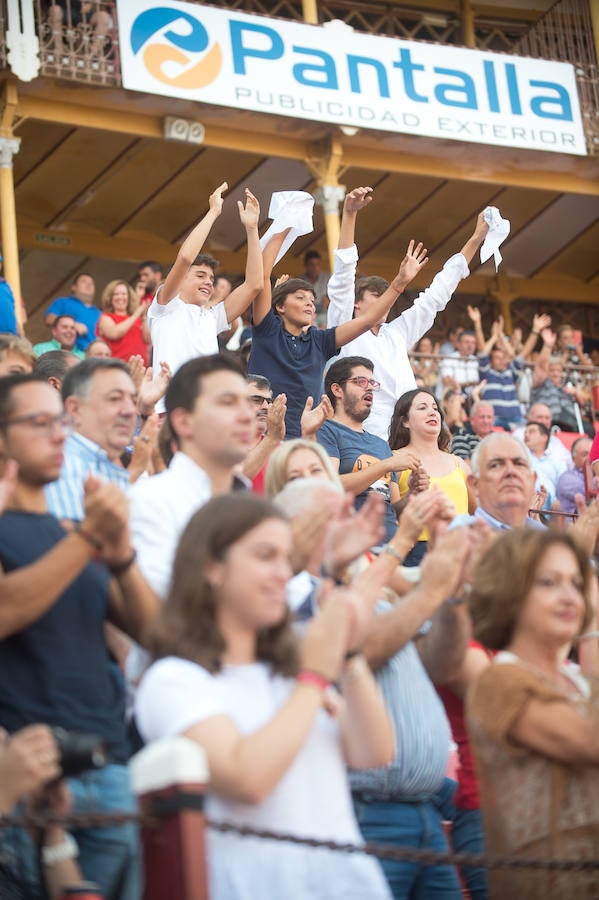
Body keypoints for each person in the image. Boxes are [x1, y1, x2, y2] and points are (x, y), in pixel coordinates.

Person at [135, 493, 394, 900]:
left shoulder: (289, 672)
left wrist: (350, 656)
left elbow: (374, 752)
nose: (281, 573)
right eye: (265, 556)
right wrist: (315, 675)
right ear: (211, 567)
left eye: (285, 558)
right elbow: (247, 780)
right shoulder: (173, 680)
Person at [0, 372, 159, 899]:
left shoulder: (70, 534)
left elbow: (154, 633)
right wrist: (91, 536)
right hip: (27, 779)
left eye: (60, 423)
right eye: (38, 423)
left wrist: (120, 557)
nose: (58, 435)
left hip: (108, 763)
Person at [466, 528, 599, 900]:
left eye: (576, 582)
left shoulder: (580, 681)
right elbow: (589, 740)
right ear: (511, 592)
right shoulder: (500, 681)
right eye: (548, 582)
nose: (570, 595)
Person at [327, 188, 489, 440]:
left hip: (408, 434)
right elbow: (343, 276)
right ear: (355, 304)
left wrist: (475, 240)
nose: (386, 303)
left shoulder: (397, 333)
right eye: (376, 297)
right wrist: (349, 215)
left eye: (387, 297)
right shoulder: (343, 328)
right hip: (362, 435)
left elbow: (436, 295)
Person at [249, 218, 428, 438]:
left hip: (307, 443)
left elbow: (366, 320)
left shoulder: (320, 341)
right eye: (300, 297)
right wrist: (283, 225)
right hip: (261, 438)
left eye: (312, 298)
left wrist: (399, 283)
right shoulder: (268, 330)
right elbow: (261, 278)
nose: (309, 302)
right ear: (280, 306)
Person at [129, 353, 255, 600]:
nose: (247, 416)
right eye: (227, 402)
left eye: (247, 403)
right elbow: (160, 605)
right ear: (184, 422)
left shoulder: (252, 505)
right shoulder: (149, 501)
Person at [147, 183, 262, 414]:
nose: (209, 282)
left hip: (209, 413)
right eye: (201, 275)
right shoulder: (165, 306)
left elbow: (254, 285)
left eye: (212, 277)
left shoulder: (213, 317)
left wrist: (251, 228)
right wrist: (213, 212)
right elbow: (185, 258)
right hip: (169, 411)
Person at [317, 356, 417, 544]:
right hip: (350, 548)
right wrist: (385, 465)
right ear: (337, 389)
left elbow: (394, 506)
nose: (370, 387)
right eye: (361, 381)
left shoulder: (381, 444)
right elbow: (329, 486)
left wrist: (413, 493)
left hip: (389, 547)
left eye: (372, 382)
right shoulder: (325, 430)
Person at [45, 358, 137, 522]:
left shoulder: (105, 460)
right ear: (75, 409)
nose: (130, 410)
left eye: (133, 400)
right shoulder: (62, 468)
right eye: (115, 398)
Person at [388, 388, 473, 565]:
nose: (432, 412)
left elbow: (477, 511)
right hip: (416, 552)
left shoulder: (460, 464)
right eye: (422, 408)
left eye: (435, 408)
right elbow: (389, 514)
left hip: (461, 550)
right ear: (404, 421)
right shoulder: (392, 459)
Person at [467, 307, 551, 430]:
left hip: (516, 419)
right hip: (494, 419)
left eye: (503, 357)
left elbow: (524, 353)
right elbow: (483, 351)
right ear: (491, 360)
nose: (501, 360)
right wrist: (478, 323)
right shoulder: (486, 373)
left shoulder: (511, 372)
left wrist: (535, 330)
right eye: (497, 357)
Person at [97, 280, 151, 364]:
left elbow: (148, 339)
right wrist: (137, 313)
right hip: (118, 369)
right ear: (110, 297)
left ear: (128, 297)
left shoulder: (136, 318)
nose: (120, 297)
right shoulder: (106, 317)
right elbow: (113, 333)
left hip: (141, 370)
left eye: (123, 294)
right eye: (116, 294)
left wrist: (144, 316)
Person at [44, 273, 99, 352]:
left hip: (91, 357)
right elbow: (48, 319)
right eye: (84, 282)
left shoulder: (99, 313)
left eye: (92, 283)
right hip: (65, 352)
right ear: (74, 287)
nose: (89, 285)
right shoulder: (63, 302)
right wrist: (73, 325)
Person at [513, 402, 573, 474]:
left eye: (547, 418)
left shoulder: (556, 442)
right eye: (540, 417)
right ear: (529, 418)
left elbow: (570, 464)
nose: (544, 421)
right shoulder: (519, 435)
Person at [523, 421, 562, 504]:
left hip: (551, 506)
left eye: (531, 432)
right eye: (525, 432)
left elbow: (563, 487)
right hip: (526, 501)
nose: (526, 435)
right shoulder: (521, 458)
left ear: (544, 437)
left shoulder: (556, 461)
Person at [556, 436, 594, 515]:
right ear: (573, 458)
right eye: (585, 454)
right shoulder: (566, 478)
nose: (590, 458)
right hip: (575, 525)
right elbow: (590, 493)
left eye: (593, 453)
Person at [0, 254, 18, 335]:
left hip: (11, 337)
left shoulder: (5, 286)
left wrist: (21, 335)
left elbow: (12, 312)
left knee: (26, 346)